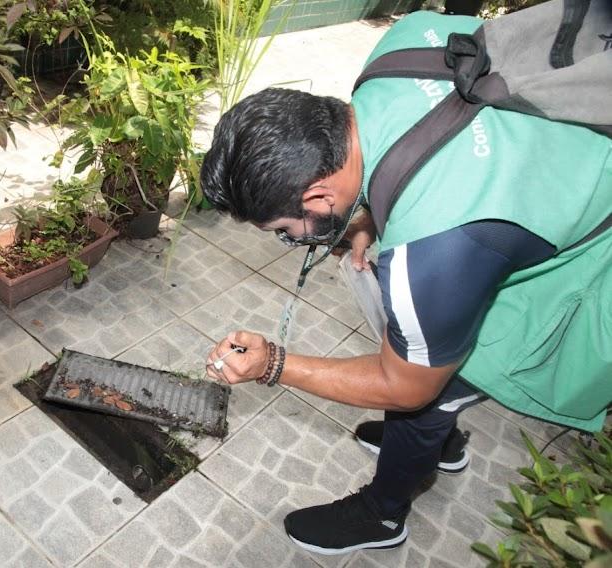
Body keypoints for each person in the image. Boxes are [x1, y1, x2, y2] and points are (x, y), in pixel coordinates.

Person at [200, 10, 611, 556]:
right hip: (559, 172)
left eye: (286, 230)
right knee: (426, 357)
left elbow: (406, 384)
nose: (294, 239)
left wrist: (275, 363)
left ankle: (383, 514)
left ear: (320, 198)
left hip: (590, 254)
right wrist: (370, 213)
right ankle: (433, 448)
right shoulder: (400, 46)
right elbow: (436, 127)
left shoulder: (433, 257)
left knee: (428, 394)